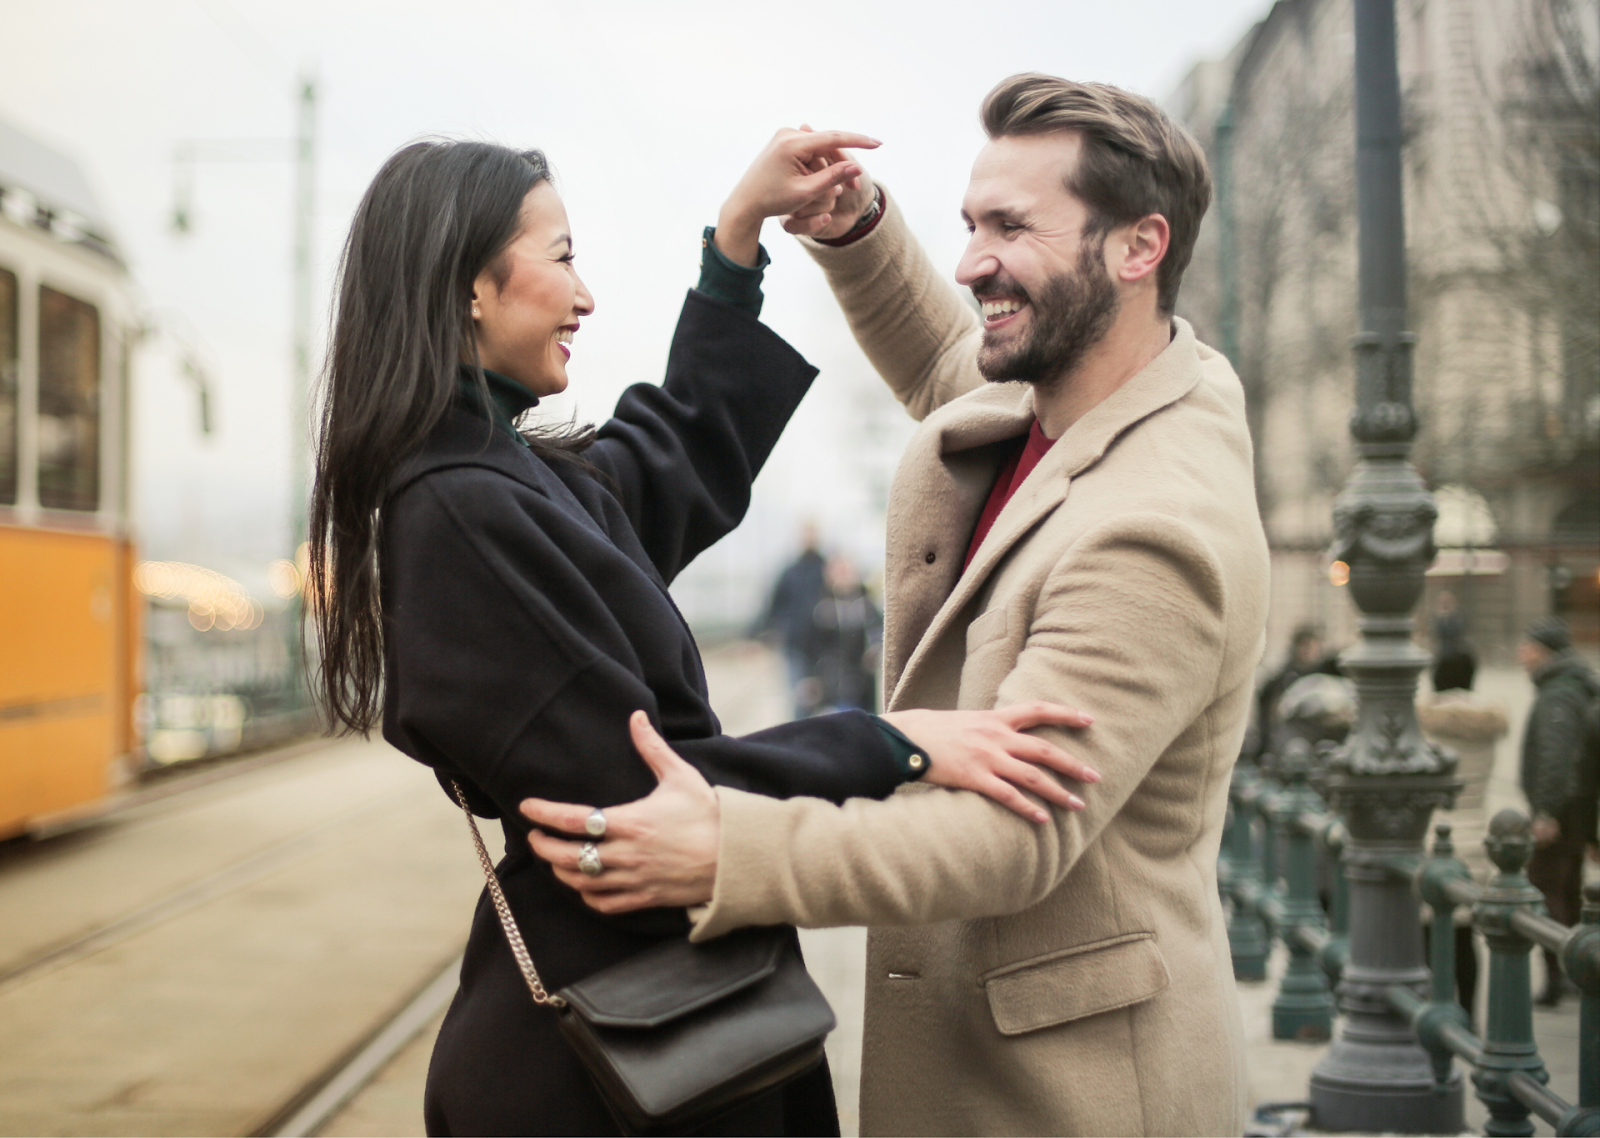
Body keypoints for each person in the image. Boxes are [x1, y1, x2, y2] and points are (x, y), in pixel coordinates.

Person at [309, 135, 1104, 1136]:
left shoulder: (505, 477)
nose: (585, 294)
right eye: (561, 257)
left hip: (658, 1020)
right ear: (470, 284)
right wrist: (895, 741)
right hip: (619, 1057)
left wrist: (737, 245)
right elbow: (646, 797)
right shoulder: (462, 508)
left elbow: (671, 449)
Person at [524, 75, 1270, 1136]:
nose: (971, 262)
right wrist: (856, 228)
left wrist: (727, 851)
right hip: (992, 1062)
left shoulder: (1152, 528)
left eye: (1012, 226)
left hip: (1078, 1095)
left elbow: (1010, 835)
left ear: (1138, 247)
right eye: (971, 224)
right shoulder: (1083, 381)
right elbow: (943, 361)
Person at [1516, 616, 1600, 1006]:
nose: (1521, 653)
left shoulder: (1558, 695)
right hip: (1577, 812)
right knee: (1566, 891)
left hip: (1562, 815)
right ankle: (1571, 973)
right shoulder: (1567, 686)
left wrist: (1546, 812)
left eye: (1527, 646)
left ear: (1545, 651)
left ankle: (1559, 975)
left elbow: (1557, 758)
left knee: (1546, 889)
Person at [755, 522, 827, 716]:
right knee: (800, 697)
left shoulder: (827, 569)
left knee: (824, 697)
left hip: (824, 646)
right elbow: (773, 604)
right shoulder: (790, 571)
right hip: (795, 644)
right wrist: (754, 634)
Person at [797, 554, 882, 715]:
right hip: (829, 687)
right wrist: (809, 677)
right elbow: (808, 646)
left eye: (847, 571)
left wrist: (875, 651)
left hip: (863, 685)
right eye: (839, 571)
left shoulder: (867, 605)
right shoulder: (820, 607)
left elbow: (879, 633)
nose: (844, 576)